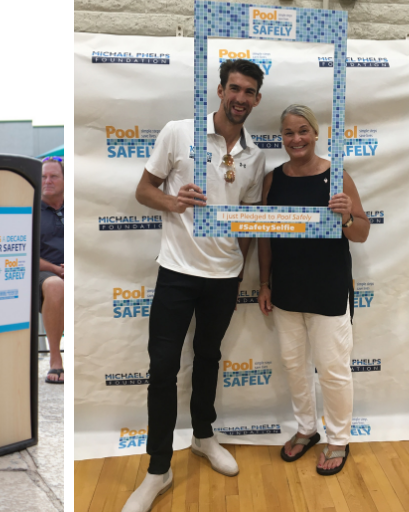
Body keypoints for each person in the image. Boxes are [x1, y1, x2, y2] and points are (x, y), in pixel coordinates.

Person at [122, 59, 267, 512]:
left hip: (223, 278)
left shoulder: (255, 154)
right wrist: (173, 201)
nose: (240, 98)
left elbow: (248, 221)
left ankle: (204, 436)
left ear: (257, 99)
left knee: (208, 358)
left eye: (249, 92)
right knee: (162, 369)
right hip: (177, 273)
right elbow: (144, 190)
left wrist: (240, 266)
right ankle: (158, 470)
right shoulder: (178, 132)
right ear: (220, 90)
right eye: (234, 88)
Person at [257, 105, 367, 476]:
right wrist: (264, 283)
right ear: (282, 138)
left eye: (303, 131)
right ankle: (307, 429)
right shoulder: (274, 180)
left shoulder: (337, 177)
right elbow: (266, 237)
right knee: (294, 366)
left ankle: (339, 438)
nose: (296, 139)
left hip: (328, 289)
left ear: (316, 134)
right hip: (287, 291)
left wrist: (347, 216)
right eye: (288, 133)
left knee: (333, 369)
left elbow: (362, 232)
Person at [38, 156, 65, 384]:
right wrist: (57, 269)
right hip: (43, 274)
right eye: (43, 176)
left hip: (80, 270)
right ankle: (56, 360)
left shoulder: (79, 207)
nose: (47, 181)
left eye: (54, 176)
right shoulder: (29, 210)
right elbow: (22, 253)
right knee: (56, 286)